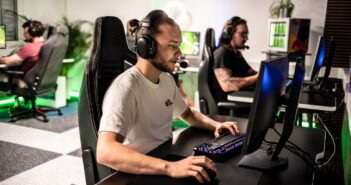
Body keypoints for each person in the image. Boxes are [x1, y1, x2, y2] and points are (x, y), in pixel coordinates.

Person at [97, 10, 240, 184]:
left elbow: (187, 114)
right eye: (172, 45)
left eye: (179, 45)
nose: (179, 52)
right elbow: (105, 151)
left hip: (163, 157)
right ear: (147, 46)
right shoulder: (126, 88)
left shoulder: (165, 79)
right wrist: (171, 167)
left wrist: (216, 125)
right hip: (138, 173)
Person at [212, 16, 258, 103]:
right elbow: (227, 85)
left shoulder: (236, 54)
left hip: (239, 99)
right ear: (229, 34)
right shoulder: (222, 54)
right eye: (243, 34)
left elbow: (250, 73)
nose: (246, 38)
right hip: (230, 107)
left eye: (246, 34)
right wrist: (257, 77)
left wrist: (266, 74)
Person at [0, 20, 45, 91]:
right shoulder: (46, 45)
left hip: (24, 82)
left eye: (26, 32)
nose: (24, 35)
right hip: (37, 81)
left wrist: (3, 59)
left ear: (32, 32)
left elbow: (8, 61)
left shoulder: (31, 47)